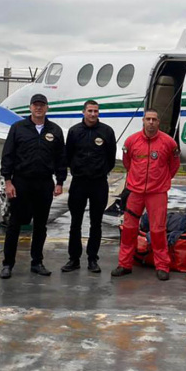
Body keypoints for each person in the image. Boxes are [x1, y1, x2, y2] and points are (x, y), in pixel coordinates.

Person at [0, 93, 67, 279]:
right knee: (14, 224)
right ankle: (8, 264)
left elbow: (61, 158)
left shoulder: (55, 130)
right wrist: (7, 180)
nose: (38, 108)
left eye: (42, 105)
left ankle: (37, 262)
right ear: (30, 107)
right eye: (35, 105)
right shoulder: (18, 128)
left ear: (47, 108)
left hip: (44, 183)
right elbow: (8, 155)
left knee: (40, 225)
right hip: (21, 182)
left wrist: (60, 181)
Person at [112, 109, 181, 281]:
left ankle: (162, 266)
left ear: (159, 122)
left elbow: (173, 165)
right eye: (148, 119)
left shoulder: (169, 143)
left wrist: (161, 181)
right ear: (143, 121)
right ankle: (125, 264)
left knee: (158, 230)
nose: (151, 122)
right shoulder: (132, 141)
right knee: (128, 229)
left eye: (154, 119)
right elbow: (128, 163)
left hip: (157, 193)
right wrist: (137, 180)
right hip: (135, 192)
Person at [61, 100, 116, 273]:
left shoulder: (107, 131)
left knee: (96, 223)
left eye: (96, 111)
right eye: (90, 111)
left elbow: (111, 158)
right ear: (83, 112)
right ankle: (74, 259)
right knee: (75, 223)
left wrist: (100, 171)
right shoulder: (74, 131)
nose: (93, 114)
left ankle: (93, 259)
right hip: (79, 182)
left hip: (99, 183)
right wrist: (78, 170)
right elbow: (67, 155)